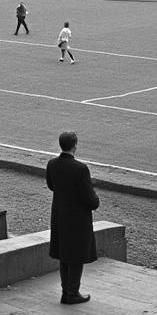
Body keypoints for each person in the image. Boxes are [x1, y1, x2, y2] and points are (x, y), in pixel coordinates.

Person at [47, 130, 100, 305]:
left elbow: (51, 186)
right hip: (77, 219)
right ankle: (72, 292)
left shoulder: (52, 164)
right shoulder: (80, 169)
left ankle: (66, 292)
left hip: (60, 215)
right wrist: (95, 200)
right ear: (75, 145)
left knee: (64, 254)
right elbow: (90, 198)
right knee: (76, 255)